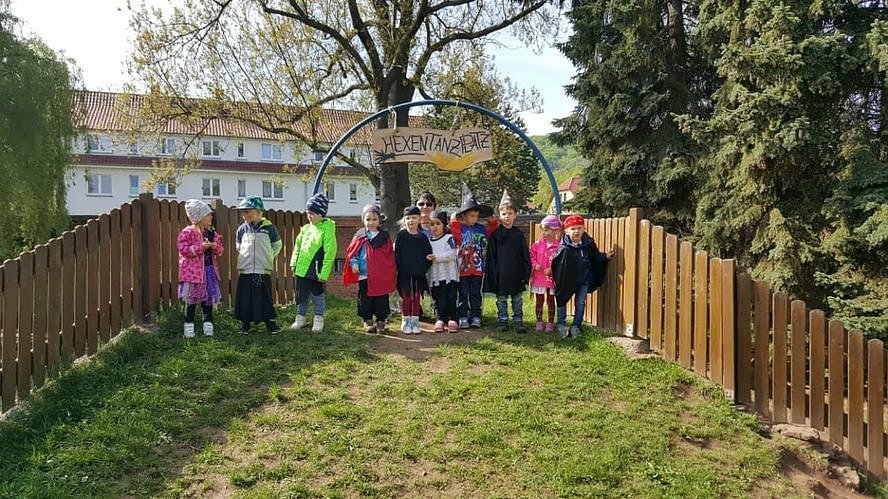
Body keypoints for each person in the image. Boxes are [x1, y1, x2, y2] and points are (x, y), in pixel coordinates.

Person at [552, 215, 612, 338]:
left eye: (579, 228)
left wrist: (605, 256)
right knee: (562, 300)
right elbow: (557, 264)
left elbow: (594, 256)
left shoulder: (588, 244)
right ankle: (561, 324)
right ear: (566, 231)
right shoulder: (564, 248)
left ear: (584, 229)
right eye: (573, 229)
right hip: (567, 280)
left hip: (584, 280)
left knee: (580, 303)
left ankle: (576, 326)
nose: (576, 231)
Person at [342, 204, 396, 333]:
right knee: (365, 298)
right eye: (368, 219)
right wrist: (354, 264)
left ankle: (381, 321)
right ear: (363, 220)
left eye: (374, 219)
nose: (371, 222)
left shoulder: (384, 236)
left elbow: (389, 255)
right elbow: (353, 253)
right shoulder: (360, 235)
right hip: (364, 274)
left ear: (379, 220)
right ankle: (367, 320)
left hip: (380, 275)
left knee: (381, 299)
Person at [449, 183, 497, 329]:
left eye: (477, 216)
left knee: (476, 293)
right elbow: (455, 231)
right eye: (471, 216)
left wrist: (492, 221)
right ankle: (463, 316)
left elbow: (491, 231)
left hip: (478, 267)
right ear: (464, 215)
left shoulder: (481, 229)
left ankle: (476, 315)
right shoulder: (460, 229)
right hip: (462, 268)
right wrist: (454, 219)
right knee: (463, 293)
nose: (475, 218)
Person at [484, 190, 532, 332]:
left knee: (517, 299)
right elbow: (492, 257)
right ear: (500, 216)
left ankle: (518, 321)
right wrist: (494, 275)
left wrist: (525, 273)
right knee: (501, 299)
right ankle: (503, 320)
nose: (507, 217)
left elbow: (525, 255)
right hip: (501, 274)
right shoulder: (495, 235)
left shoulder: (519, 234)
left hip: (516, 273)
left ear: (515, 215)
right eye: (504, 214)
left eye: (510, 213)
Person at [234, 195, 283, 334]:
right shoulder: (242, 229)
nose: (244, 215)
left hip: (262, 270)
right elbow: (239, 246)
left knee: (264, 297)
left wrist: (269, 256)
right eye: (243, 212)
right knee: (245, 298)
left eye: (247, 211)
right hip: (246, 270)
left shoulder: (269, 228)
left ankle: (270, 324)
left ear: (259, 212)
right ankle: (245, 324)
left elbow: (277, 245)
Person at [290, 193, 337, 333]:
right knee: (301, 295)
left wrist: (324, 273)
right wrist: (294, 262)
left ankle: (318, 318)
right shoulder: (305, 229)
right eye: (307, 212)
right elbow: (297, 246)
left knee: (317, 296)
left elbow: (330, 253)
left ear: (321, 213)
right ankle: (300, 318)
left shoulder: (328, 230)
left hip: (316, 271)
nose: (309, 216)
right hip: (301, 269)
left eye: (312, 213)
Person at [177, 199, 224, 338]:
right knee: (191, 300)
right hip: (193, 274)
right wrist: (200, 247)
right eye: (208, 215)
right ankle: (189, 325)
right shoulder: (188, 232)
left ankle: (208, 324)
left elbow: (220, 250)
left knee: (207, 300)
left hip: (208, 271)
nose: (211, 217)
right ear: (199, 217)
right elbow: (183, 250)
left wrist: (215, 247)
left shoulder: (212, 233)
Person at [395, 206, 432, 334]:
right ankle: (405, 320)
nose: (411, 221)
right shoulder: (401, 235)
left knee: (416, 297)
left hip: (418, 273)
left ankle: (415, 320)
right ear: (404, 220)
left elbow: (428, 254)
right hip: (404, 273)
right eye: (408, 218)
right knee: (406, 296)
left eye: (414, 218)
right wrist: (397, 269)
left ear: (419, 219)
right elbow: (397, 254)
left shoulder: (422, 237)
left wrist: (426, 264)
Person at [426, 210, 459, 333]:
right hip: (435, 277)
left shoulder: (448, 238)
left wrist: (436, 257)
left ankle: (452, 319)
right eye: (432, 224)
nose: (435, 227)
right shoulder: (428, 241)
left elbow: (452, 254)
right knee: (438, 299)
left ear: (444, 225)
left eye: (438, 224)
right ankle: (440, 319)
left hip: (449, 276)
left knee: (450, 298)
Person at [529, 215, 563, 332]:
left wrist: (552, 269)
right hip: (539, 278)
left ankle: (550, 322)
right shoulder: (537, 244)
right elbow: (530, 256)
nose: (544, 233)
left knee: (551, 300)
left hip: (552, 279)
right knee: (539, 300)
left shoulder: (559, 246)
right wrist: (535, 264)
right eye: (543, 230)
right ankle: (539, 321)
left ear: (555, 231)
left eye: (547, 230)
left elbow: (561, 262)